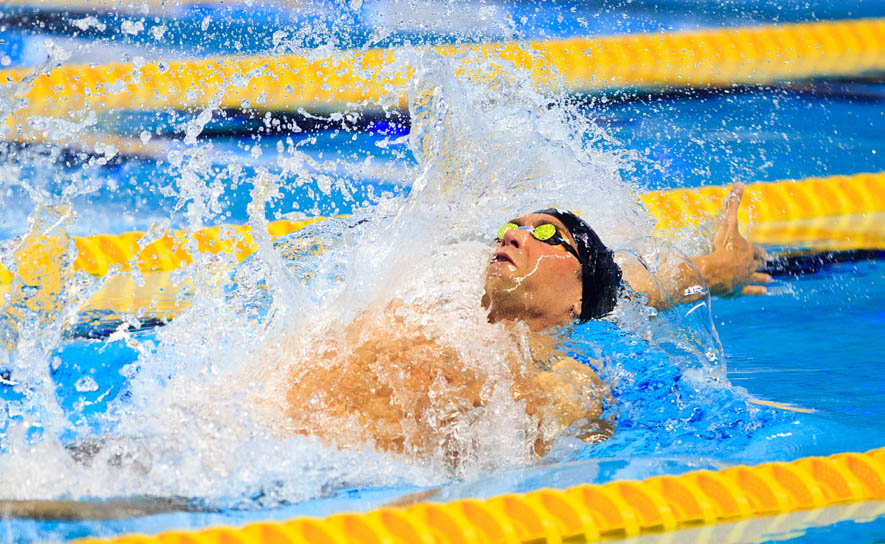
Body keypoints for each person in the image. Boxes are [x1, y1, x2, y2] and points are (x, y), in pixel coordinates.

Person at [279, 183, 770, 463]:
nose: (515, 236)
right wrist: (719, 268)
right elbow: (650, 285)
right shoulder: (445, 293)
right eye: (509, 228)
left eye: (544, 234)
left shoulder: (564, 372)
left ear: (578, 298)